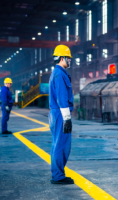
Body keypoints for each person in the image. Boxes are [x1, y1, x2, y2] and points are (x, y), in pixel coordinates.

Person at [49, 45, 74, 184]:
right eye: (68, 58)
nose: (70, 60)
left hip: (57, 113)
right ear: (62, 58)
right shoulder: (59, 74)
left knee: (57, 144)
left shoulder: (59, 73)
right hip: (60, 114)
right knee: (61, 145)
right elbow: (62, 97)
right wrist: (66, 118)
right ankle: (58, 176)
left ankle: (58, 173)